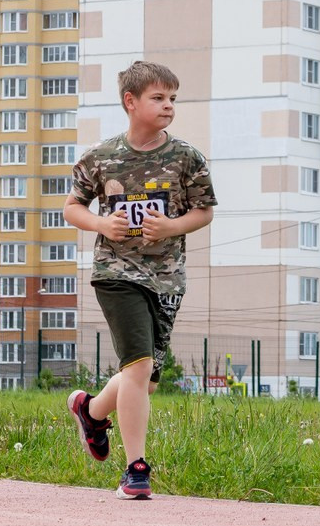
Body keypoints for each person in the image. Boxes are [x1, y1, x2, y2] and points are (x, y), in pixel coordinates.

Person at [63, 60, 216, 499]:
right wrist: (100, 224)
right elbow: (71, 207)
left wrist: (170, 227)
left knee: (144, 381)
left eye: (173, 99)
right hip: (116, 273)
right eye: (158, 98)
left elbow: (204, 211)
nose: (168, 106)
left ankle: (90, 411)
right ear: (131, 102)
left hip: (166, 278)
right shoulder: (101, 157)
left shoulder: (186, 158)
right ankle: (136, 470)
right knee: (139, 366)